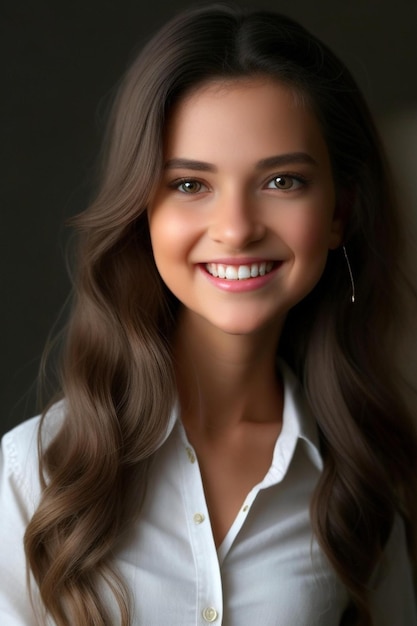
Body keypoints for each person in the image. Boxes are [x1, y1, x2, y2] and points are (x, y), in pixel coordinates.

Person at [1, 4, 416, 625]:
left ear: (339, 214)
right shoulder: (31, 475)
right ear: (143, 213)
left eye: (282, 182)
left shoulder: (363, 479)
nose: (236, 230)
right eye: (191, 185)